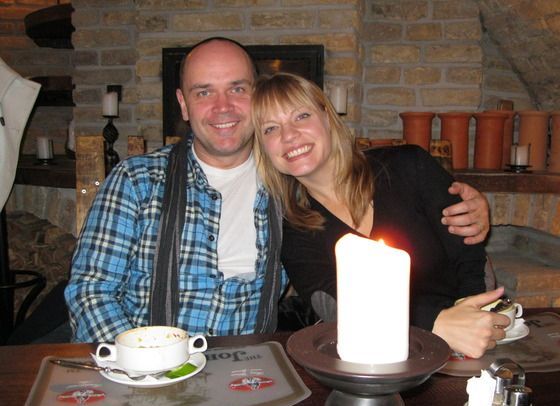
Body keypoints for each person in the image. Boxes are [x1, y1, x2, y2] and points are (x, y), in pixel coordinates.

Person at [65, 37, 491, 344]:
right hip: (146, 368)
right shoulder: (137, 180)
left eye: (237, 88)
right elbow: (90, 291)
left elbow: (358, 180)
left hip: (250, 369)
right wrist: (143, 366)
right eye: (204, 92)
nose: (223, 106)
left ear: (256, 97)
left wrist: (472, 206)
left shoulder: (287, 189)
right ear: (183, 104)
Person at [250, 72, 509, 358]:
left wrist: (472, 317)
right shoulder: (291, 227)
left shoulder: (409, 166)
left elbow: (469, 254)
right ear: (263, 147)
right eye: (270, 128)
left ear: (327, 117)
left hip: (468, 342)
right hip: (380, 355)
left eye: (301, 116)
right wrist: (436, 322)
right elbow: (335, 304)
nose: (288, 135)